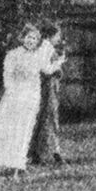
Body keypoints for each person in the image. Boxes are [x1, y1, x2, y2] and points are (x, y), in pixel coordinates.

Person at [0, 23, 65, 177]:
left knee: (26, 129)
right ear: (22, 38)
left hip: (32, 97)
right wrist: (13, 92)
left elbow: (46, 69)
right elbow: (7, 76)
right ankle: (5, 159)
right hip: (16, 96)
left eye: (34, 39)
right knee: (11, 128)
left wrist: (58, 63)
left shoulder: (37, 56)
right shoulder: (13, 54)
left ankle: (18, 162)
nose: (31, 41)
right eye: (29, 37)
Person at [29, 21, 66, 166]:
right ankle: (54, 152)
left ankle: (37, 153)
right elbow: (45, 68)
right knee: (50, 117)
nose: (59, 38)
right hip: (48, 85)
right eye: (58, 35)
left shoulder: (42, 46)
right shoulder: (47, 47)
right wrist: (59, 64)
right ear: (51, 35)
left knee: (42, 118)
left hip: (44, 84)